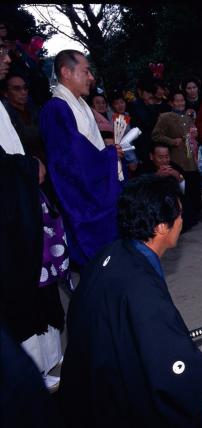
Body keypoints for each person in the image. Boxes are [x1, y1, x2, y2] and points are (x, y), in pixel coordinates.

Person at [59, 175, 202, 427]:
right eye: (179, 215)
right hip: (115, 407)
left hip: (89, 389)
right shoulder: (141, 288)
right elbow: (173, 371)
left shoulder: (110, 253)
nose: (182, 221)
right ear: (162, 227)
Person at [0, 49, 68, 392]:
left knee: (40, 286)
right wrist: (28, 167)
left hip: (24, 205)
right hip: (9, 218)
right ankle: (28, 374)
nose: (6, 55)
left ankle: (45, 365)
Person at [40, 50, 123, 268]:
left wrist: (107, 150)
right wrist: (109, 156)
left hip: (92, 191)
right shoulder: (56, 109)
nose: (91, 77)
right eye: (86, 71)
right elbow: (73, 160)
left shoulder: (80, 105)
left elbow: (85, 147)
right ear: (66, 72)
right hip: (81, 199)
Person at [152, 90, 201, 231]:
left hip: (191, 159)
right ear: (171, 103)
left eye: (182, 100)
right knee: (180, 191)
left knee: (192, 189)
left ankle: (192, 217)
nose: (180, 103)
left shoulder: (188, 117)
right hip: (176, 158)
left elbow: (192, 136)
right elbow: (155, 135)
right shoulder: (166, 117)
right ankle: (180, 220)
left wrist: (194, 135)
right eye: (177, 101)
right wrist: (171, 141)